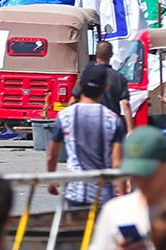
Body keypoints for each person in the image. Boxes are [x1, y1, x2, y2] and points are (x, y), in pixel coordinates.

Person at [45, 71, 124, 209]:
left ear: (80, 85)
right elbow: (117, 163)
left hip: (76, 192)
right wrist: (122, 194)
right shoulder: (113, 119)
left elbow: (51, 155)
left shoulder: (65, 116)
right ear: (105, 87)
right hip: (103, 194)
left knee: (77, 230)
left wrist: (51, 179)